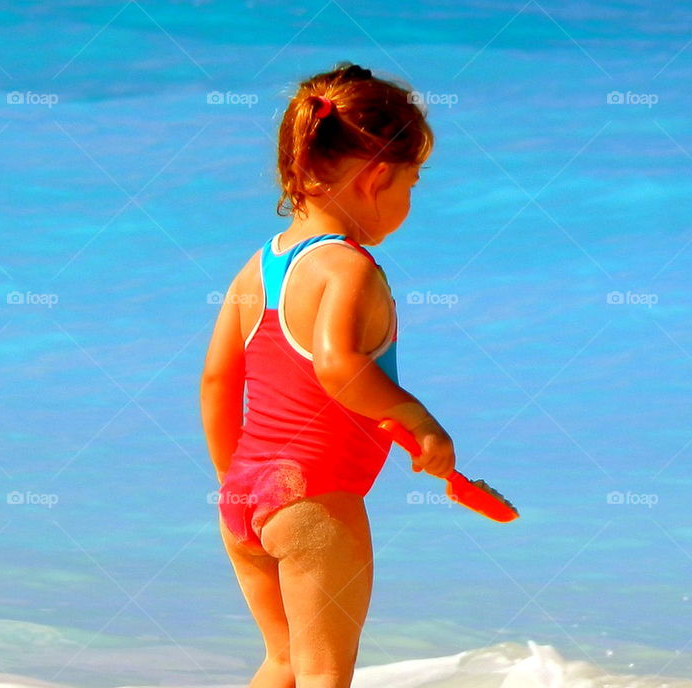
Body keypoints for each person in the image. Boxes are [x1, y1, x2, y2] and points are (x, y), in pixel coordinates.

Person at [199, 62, 456, 688]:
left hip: (244, 494)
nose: (409, 202)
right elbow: (338, 365)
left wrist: (238, 479)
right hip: (316, 496)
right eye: (412, 183)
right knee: (322, 675)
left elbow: (216, 382)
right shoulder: (348, 270)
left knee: (283, 662)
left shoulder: (259, 267)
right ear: (376, 178)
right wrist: (421, 421)